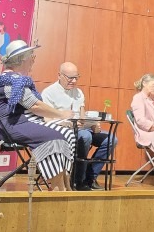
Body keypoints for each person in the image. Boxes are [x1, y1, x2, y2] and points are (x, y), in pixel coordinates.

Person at [0, 41, 76, 191]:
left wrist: (54, 121)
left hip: (21, 122)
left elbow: (30, 110)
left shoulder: (16, 79)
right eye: (32, 56)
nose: (34, 60)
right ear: (22, 59)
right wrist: (61, 114)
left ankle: (66, 185)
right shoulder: (12, 81)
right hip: (9, 127)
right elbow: (34, 106)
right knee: (55, 137)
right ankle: (58, 189)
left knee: (67, 133)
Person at [41, 61, 117, 190]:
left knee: (111, 139)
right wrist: (65, 122)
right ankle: (77, 180)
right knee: (85, 136)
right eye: (70, 78)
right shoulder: (49, 93)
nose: (74, 81)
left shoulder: (79, 93)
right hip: (62, 131)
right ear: (59, 75)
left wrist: (92, 125)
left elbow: (82, 116)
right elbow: (47, 120)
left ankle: (90, 177)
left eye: (76, 77)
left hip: (81, 128)